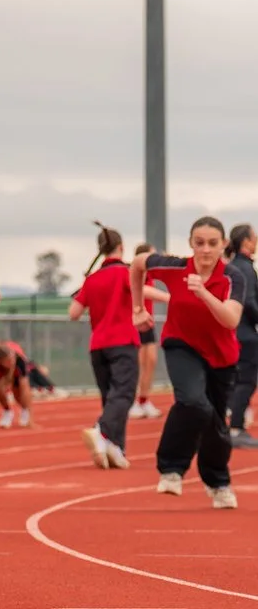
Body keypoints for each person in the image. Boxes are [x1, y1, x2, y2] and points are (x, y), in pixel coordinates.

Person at [132, 217, 250, 508]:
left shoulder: (234, 276)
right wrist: (137, 308)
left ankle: (218, 482)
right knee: (193, 402)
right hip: (181, 345)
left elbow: (231, 319)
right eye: (199, 243)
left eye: (212, 243)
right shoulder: (175, 266)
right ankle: (171, 469)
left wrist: (204, 293)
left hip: (221, 357)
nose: (206, 250)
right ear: (190, 244)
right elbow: (137, 264)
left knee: (215, 424)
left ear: (223, 245)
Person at [69, 223, 137, 469]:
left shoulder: (93, 280)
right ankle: (103, 431)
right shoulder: (126, 274)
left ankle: (115, 447)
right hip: (123, 341)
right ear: (121, 247)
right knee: (124, 394)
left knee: (110, 397)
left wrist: (87, 289)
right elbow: (143, 290)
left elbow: (73, 312)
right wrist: (169, 298)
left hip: (98, 345)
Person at [226, 224, 258, 448]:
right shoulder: (245, 269)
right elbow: (248, 302)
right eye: (254, 237)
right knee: (246, 381)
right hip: (245, 333)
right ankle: (236, 428)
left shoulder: (231, 267)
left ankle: (230, 425)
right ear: (246, 242)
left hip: (232, 331)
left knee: (233, 381)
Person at [132, 243, 165, 422]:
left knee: (150, 361)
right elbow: (143, 291)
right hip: (136, 322)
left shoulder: (151, 274)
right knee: (137, 364)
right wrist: (168, 298)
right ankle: (133, 401)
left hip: (148, 323)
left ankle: (143, 400)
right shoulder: (136, 274)